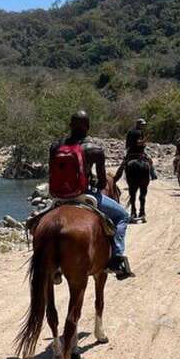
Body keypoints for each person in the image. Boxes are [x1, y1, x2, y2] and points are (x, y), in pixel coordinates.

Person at [50, 111, 135, 279]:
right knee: (123, 216)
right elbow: (103, 183)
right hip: (83, 195)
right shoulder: (94, 149)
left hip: (58, 196)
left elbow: (51, 173)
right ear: (88, 127)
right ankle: (117, 259)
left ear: (70, 125)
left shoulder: (55, 147)